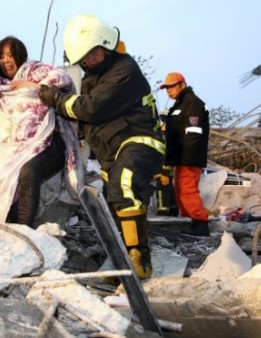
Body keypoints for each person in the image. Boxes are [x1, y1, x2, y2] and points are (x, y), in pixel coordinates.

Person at [38, 15, 165, 279]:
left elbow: (90, 108)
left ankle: (137, 259)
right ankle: (121, 259)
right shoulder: (94, 76)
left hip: (139, 141)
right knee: (115, 203)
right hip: (112, 151)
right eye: (82, 59)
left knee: (124, 184)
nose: (86, 61)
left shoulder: (124, 71)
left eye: (90, 55)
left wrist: (56, 99)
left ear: (105, 45)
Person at [0, 36, 83, 228]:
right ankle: (9, 226)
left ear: (20, 55)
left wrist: (30, 86)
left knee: (29, 171)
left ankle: (26, 231)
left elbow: (64, 80)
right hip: (10, 148)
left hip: (47, 140)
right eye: (2, 55)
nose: (6, 60)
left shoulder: (36, 71)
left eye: (11, 54)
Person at [160, 72, 210, 236]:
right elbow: (177, 128)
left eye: (171, 87)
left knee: (188, 189)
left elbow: (193, 133)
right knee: (180, 189)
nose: (169, 91)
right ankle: (188, 221)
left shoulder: (192, 103)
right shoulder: (180, 104)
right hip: (181, 157)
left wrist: (187, 157)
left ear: (182, 84)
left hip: (189, 157)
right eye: (166, 88)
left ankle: (200, 223)